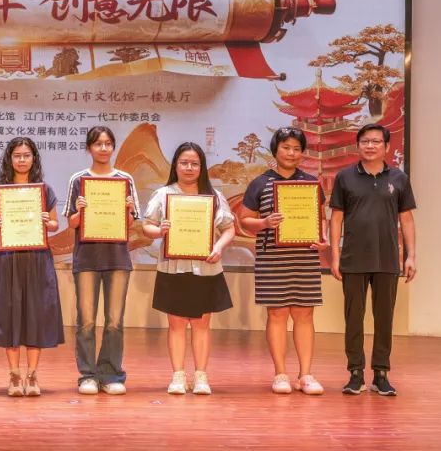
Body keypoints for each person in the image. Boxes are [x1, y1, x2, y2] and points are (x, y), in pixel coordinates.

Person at [239, 127, 329, 395]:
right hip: (272, 259)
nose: (291, 153)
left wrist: (322, 238)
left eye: (297, 149)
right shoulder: (260, 183)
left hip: (304, 258)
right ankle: (280, 373)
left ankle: (306, 375)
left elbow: (320, 218)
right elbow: (244, 220)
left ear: (303, 153)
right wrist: (265, 222)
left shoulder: (311, 183)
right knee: (277, 314)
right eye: (286, 147)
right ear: (275, 150)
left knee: (305, 314)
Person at [142, 142, 236, 395]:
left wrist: (219, 247)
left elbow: (229, 228)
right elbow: (147, 226)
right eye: (184, 163)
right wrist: (159, 231)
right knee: (176, 324)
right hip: (173, 268)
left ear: (202, 167)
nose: (189, 168)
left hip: (206, 268)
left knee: (201, 324)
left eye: (195, 163)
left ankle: (201, 376)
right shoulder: (163, 194)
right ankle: (178, 376)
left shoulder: (214, 197)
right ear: (175, 165)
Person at [330, 123, 417, 396]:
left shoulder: (399, 179)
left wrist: (411, 256)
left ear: (386, 146)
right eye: (365, 141)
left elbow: (406, 219)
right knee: (353, 319)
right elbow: (336, 218)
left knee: (384, 319)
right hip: (353, 259)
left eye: (376, 141)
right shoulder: (344, 177)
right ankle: (355, 373)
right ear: (358, 145)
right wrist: (334, 255)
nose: (370, 146)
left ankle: (381, 373)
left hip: (387, 259)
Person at [0, 137, 64, 396]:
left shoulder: (44, 191)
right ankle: (15, 376)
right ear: (10, 159)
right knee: (10, 315)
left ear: (34, 158)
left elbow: (55, 225)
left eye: (26, 155)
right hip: (8, 260)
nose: (22, 160)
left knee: (35, 315)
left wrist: (47, 222)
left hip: (37, 260)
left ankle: (33, 375)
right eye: (17, 155)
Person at [63, 126, 140, 395]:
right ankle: (87, 375)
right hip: (86, 258)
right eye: (98, 144)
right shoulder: (78, 180)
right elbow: (71, 222)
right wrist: (80, 211)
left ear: (113, 147)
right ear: (89, 148)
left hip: (117, 258)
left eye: (108, 143)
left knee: (114, 321)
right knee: (86, 321)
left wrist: (128, 209)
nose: (103, 148)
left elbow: (130, 223)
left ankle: (111, 374)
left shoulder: (125, 180)